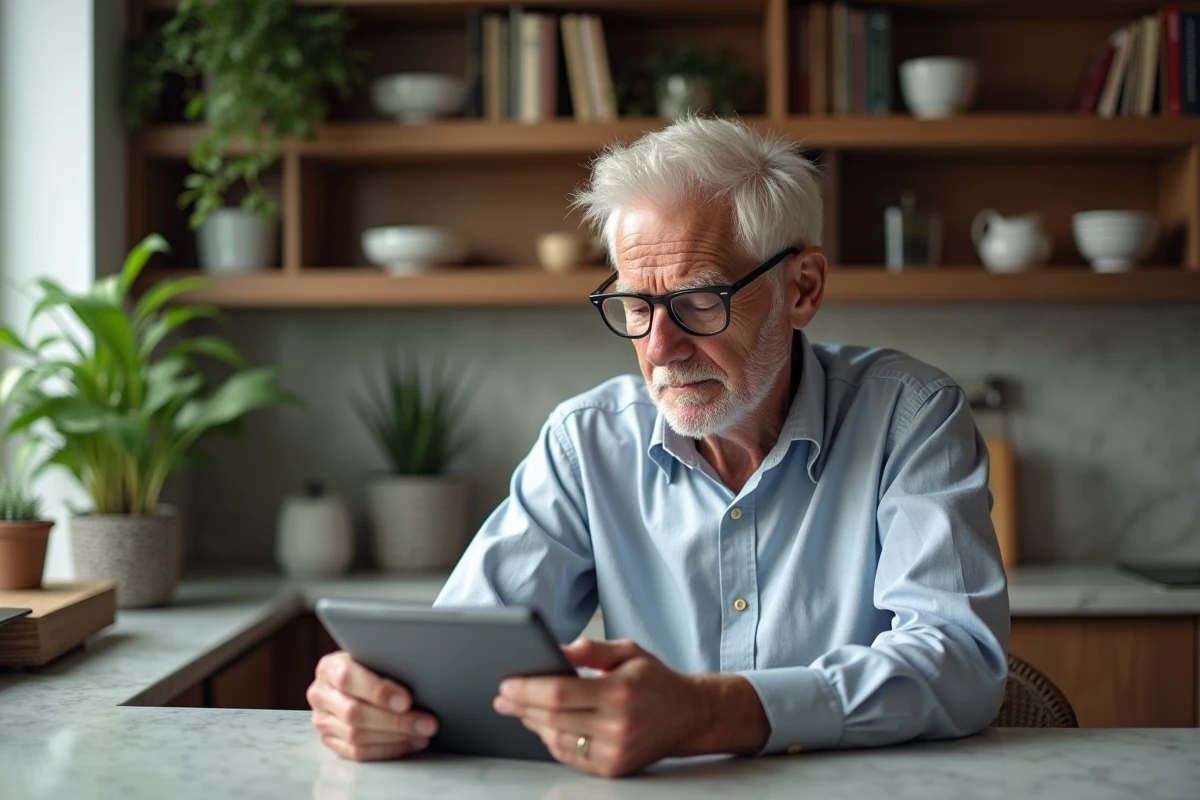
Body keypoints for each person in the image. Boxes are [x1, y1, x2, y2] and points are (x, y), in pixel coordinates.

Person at [307, 118, 1010, 778]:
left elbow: (960, 660)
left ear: (802, 288)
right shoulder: (587, 442)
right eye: (636, 305)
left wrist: (712, 713)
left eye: (701, 301)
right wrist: (376, 695)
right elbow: (462, 653)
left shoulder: (909, 415)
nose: (659, 348)